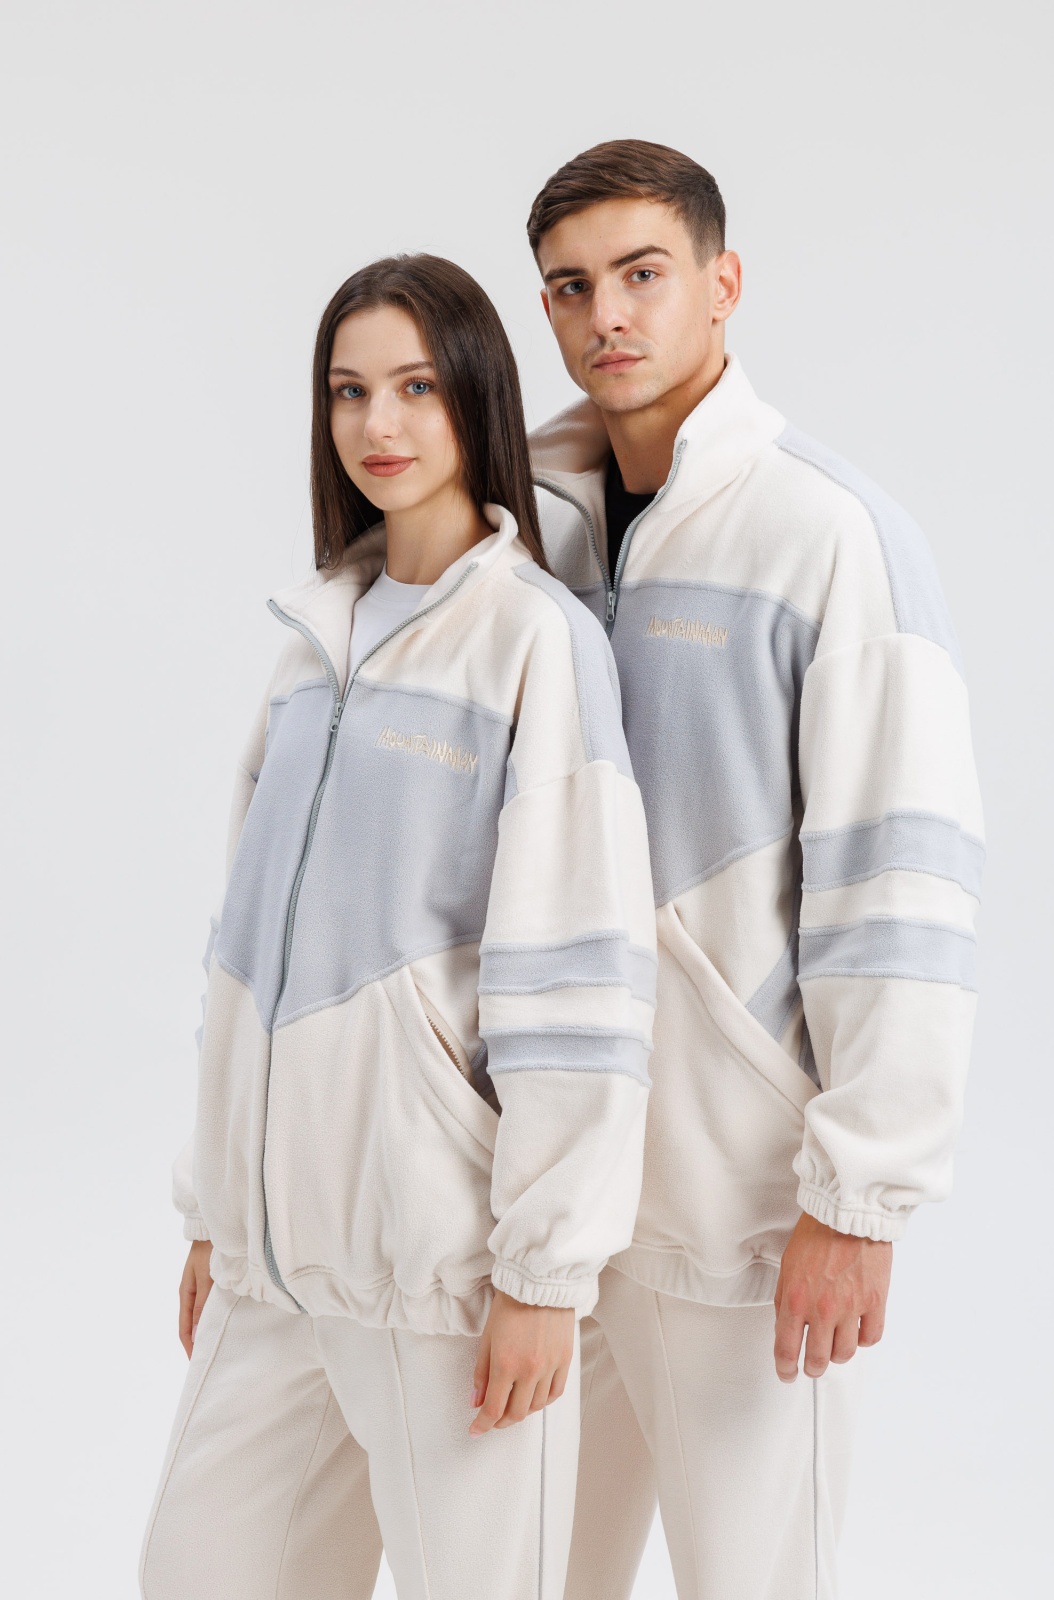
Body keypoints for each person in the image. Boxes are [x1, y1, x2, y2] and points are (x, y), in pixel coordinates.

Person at [139, 253, 657, 1600]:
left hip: (441, 1275)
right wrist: (214, 1205)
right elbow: (246, 949)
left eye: (418, 388)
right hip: (273, 1270)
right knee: (195, 1572)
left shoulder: (535, 642)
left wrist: (545, 1274)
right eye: (349, 391)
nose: (379, 425)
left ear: (474, 397)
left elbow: (581, 978)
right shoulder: (313, 640)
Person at [525, 141, 984, 1600]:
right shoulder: (520, 529)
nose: (607, 313)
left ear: (723, 285)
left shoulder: (831, 536)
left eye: (643, 273)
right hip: (542, 1198)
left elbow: (900, 886)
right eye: (570, 286)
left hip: (736, 1205)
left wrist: (861, 1196)